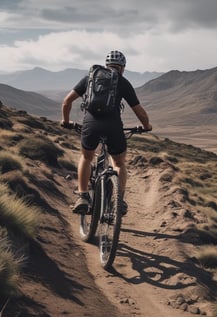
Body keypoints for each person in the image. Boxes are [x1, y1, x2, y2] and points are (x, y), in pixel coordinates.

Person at [61, 50, 152, 215]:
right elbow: (139, 111)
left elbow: (67, 101)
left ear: (106, 65)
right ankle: (119, 200)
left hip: (91, 124)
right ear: (122, 68)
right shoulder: (122, 82)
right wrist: (146, 126)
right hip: (113, 126)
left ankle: (82, 196)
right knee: (118, 163)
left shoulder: (90, 78)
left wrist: (66, 122)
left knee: (87, 157)